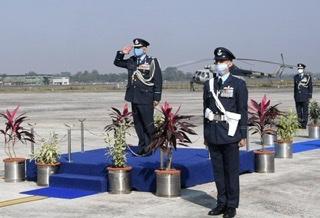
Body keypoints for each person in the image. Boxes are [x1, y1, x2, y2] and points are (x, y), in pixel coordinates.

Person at [203, 47, 248, 217]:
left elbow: (242, 110)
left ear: (230, 63)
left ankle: (231, 205)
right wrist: (206, 135)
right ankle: (221, 202)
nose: (219, 64)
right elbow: (205, 110)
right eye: (217, 62)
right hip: (213, 132)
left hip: (230, 133)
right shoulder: (209, 84)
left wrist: (243, 135)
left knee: (231, 171)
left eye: (222, 61)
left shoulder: (239, 84)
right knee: (218, 172)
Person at [114, 38, 162, 156]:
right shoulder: (131, 60)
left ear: (145, 49)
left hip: (146, 97)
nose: (136, 50)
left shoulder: (151, 61)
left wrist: (156, 98)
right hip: (134, 97)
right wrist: (121, 53)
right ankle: (142, 146)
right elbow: (117, 63)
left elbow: (158, 80)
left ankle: (150, 147)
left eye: (139, 48)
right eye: (135, 48)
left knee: (148, 124)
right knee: (138, 124)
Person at [294, 63, 312, 129]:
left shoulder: (308, 77)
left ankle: (304, 125)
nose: (299, 69)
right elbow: (295, 88)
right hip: (297, 97)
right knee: (298, 112)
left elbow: (310, 87)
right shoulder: (295, 77)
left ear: (303, 69)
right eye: (298, 68)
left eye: (301, 68)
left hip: (305, 96)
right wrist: (295, 96)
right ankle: (299, 124)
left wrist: (309, 96)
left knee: (305, 111)